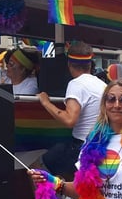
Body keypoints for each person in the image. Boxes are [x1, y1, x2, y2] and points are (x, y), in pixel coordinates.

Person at [37, 41, 106, 180]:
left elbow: (69, 120)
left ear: (69, 64)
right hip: (100, 147)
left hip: (81, 149)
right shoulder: (102, 84)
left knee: (37, 169)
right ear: (90, 64)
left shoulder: (76, 84)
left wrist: (45, 102)